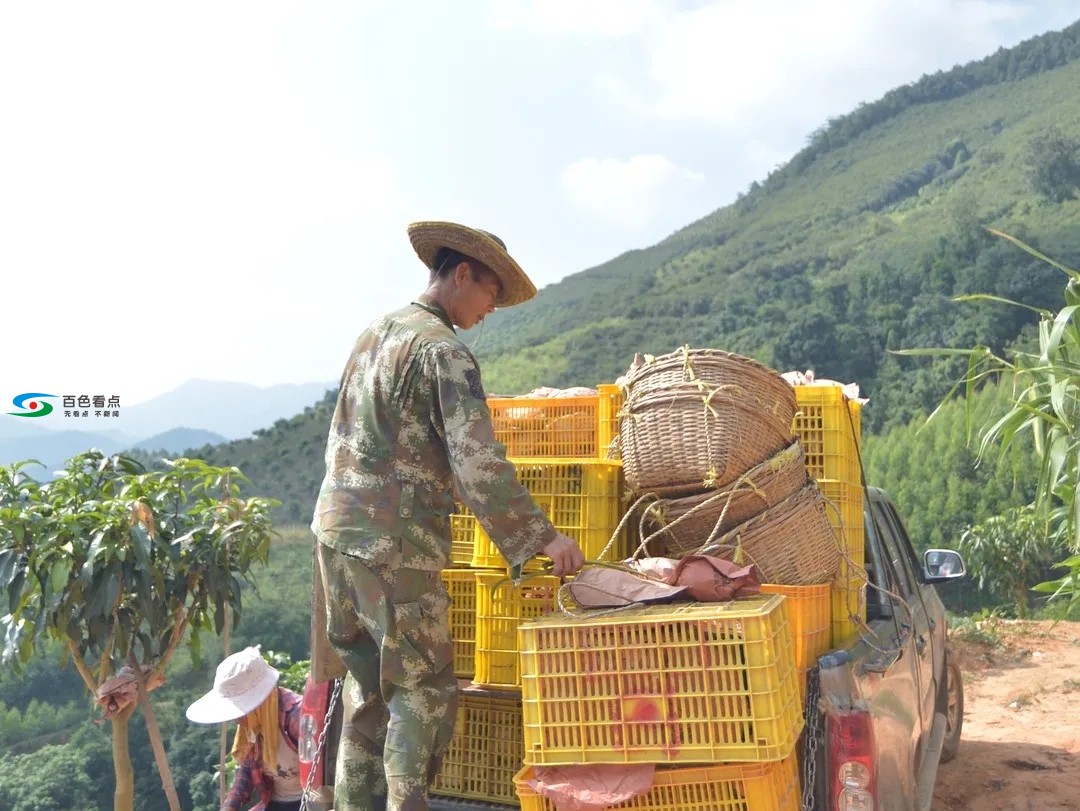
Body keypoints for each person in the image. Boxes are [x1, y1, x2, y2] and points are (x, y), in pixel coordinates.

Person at [310, 221, 586, 811]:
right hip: (393, 545)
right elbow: (477, 462)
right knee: (422, 688)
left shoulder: (376, 333)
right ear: (463, 274)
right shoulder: (443, 352)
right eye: (491, 292)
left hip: (336, 535)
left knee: (367, 683)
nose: (491, 308)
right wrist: (543, 537)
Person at [186, 646, 303, 811]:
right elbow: (247, 771)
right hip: (275, 803)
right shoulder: (253, 724)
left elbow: (325, 771)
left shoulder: (296, 717)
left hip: (309, 802)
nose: (236, 719)